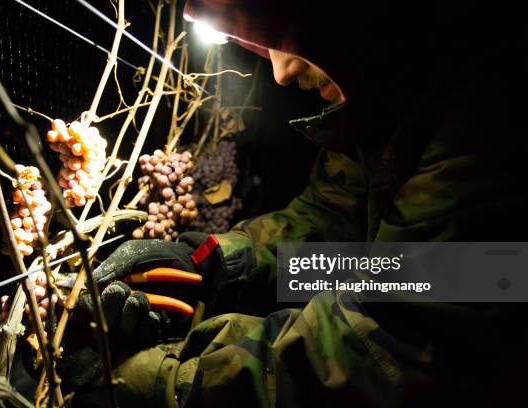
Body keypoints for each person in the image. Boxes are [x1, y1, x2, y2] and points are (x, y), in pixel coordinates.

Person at [59, 1, 528, 406]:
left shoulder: (488, 115)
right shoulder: (388, 105)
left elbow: (403, 345)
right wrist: (221, 263)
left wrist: (169, 384)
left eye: (288, 34)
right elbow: (342, 234)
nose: (281, 72)